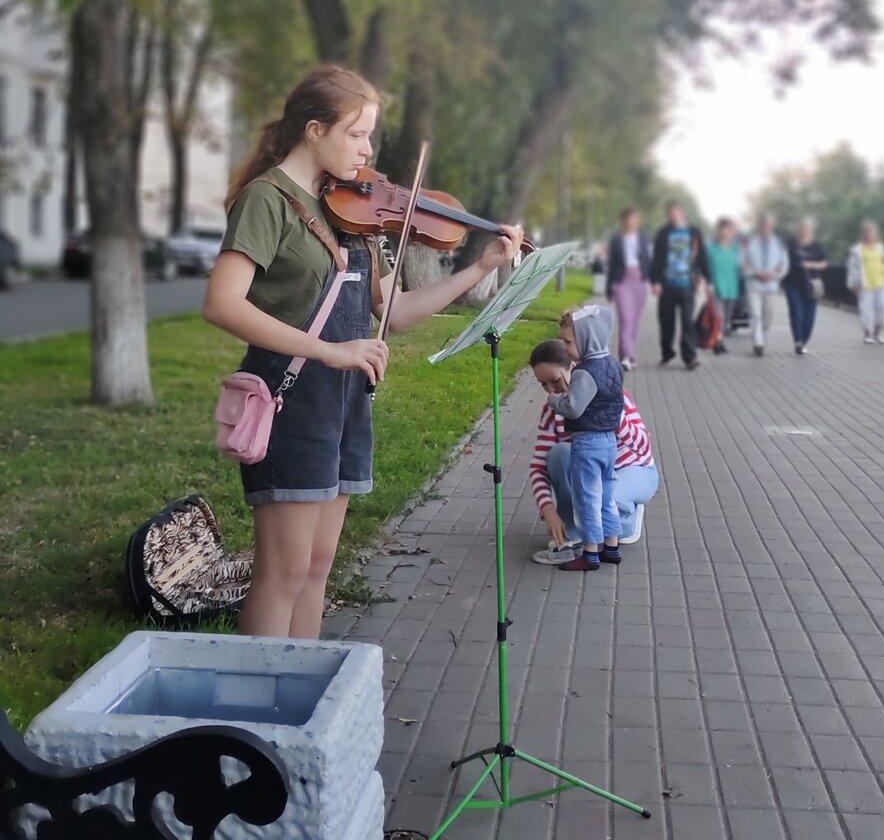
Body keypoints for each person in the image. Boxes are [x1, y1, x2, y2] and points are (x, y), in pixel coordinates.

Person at [203, 65, 523, 639]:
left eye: (369, 135)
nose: (368, 149)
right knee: (284, 571)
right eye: (357, 134)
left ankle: (298, 696)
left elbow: (393, 312)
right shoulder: (267, 199)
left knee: (318, 566)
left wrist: (480, 267)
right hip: (290, 399)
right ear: (314, 129)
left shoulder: (351, 211)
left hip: (345, 402)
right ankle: (257, 713)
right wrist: (329, 351)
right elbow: (223, 304)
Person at [528, 339, 658, 564]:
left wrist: (613, 419)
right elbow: (539, 465)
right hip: (590, 474)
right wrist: (547, 509)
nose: (550, 391)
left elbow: (643, 445)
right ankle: (574, 532)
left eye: (555, 381)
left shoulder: (609, 394)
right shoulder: (552, 410)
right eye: (543, 385)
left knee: (602, 502)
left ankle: (627, 520)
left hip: (633, 468)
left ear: (572, 367)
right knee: (559, 454)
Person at [540, 305, 624, 572]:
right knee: (607, 496)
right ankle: (612, 547)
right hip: (610, 440)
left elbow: (574, 407)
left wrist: (555, 400)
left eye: (568, 341)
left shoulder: (584, 371)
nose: (565, 348)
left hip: (587, 442)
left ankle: (589, 554)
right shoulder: (612, 363)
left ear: (587, 337)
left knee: (587, 498)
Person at [650, 199, 710, 370]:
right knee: (666, 321)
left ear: (683, 212)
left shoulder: (693, 232)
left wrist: (708, 280)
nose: (673, 215)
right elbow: (657, 259)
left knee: (687, 321)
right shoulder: (663, 233)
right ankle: (667, 352)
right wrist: (655, 281)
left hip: (687, 284)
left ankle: (689, 357)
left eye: (675, 212)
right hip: (667, 284)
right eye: (670, 213)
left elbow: (702, 256)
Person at [605, 207, 652, 371]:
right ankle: (625, 356)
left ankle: (630, 355)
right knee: (625, 318)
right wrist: (608, 288)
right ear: (623, 221)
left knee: (634, 320)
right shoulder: (616, 239)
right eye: (628, 219)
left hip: (639, 279)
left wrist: (652, 280)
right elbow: (611, 264)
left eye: (634, 219)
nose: (631, 222)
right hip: (622, 280)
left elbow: (648, 259)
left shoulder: (643, 237)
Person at [742, 214, 788, 357]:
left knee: (767, 315)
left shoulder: (779, 243)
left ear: (772, 226)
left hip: (771, 285)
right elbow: (742, 262)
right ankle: (758, 342)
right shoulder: (749, 242)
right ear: (759, 225)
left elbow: (784, 264)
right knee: (755, 313)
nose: (766, 227)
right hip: (754, 284)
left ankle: (763, 337)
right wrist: (755, 273)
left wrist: (774, 275)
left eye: (769, 224)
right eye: (763, 224)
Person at [784, 219, 828, 355]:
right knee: (796, 312)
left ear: (811, 230)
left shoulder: (817, 246)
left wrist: (810, 265)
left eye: (807, 228)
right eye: (802, 228)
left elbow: (824, 263)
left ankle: (804, 340)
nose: (804, 230)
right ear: (797, 230)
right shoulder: (790, 245)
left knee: (810, 315)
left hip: (812, 285)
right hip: (792, 283)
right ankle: (797, 340)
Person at [847, 220, 884, 344]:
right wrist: (853, 284)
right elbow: (852, 267)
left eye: (872, 233)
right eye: (867, 233)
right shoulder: (857, 250)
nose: (869, 236)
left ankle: (878, 332)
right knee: (866, 309)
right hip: (865, 283)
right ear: (863, 235)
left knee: (882, 306)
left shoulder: (880, 247)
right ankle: (867, 333)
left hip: (881, 282)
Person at [705, 217, 742, 352]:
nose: (727, 232)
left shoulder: (736, 248)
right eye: (724, 229)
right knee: (719, 316)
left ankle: (719, 337)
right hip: (716, 286)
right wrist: (707, 282)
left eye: (730, 230)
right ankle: (718, 341)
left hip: (732, 287)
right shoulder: (711, 248)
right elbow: (705, 266)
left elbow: (742, 266)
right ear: (719, 231)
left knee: (727, 318)